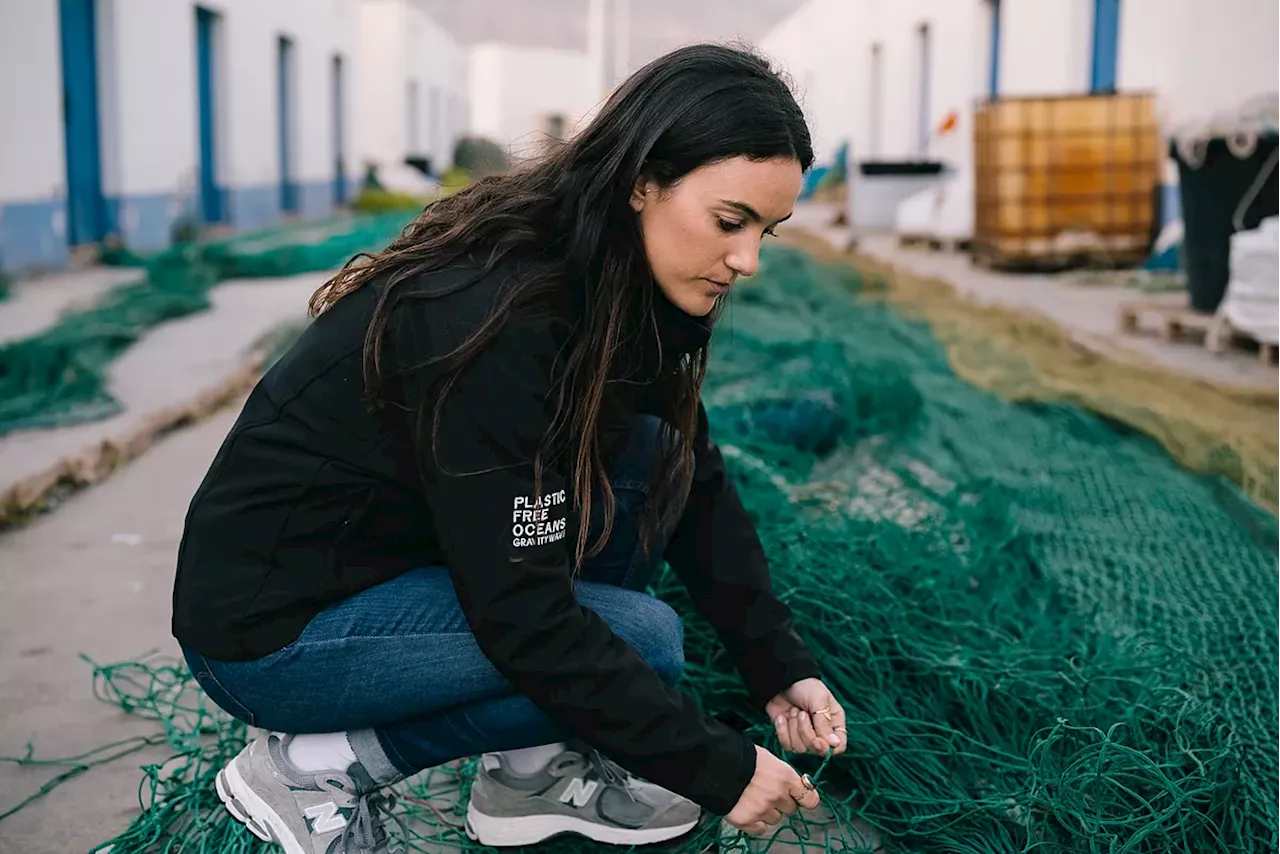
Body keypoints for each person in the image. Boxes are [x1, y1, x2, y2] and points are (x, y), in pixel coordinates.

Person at [171, 43, 848, 854]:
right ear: (640, 182)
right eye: (730, 222)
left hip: (385, 565)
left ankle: (530, 773)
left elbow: (690, 481)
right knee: (641, 641)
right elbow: (524, 617)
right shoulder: (502, 318)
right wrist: (719, 768)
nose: (747, 261)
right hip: (275, 631)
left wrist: (778, 667)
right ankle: (319, 766)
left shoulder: (617, 288)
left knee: (644, 463)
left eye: (767, 232)